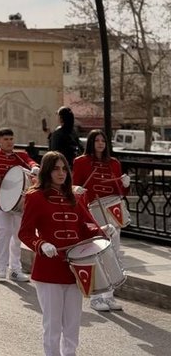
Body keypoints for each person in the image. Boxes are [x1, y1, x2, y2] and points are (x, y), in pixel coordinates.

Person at [19, 151, 111, 356]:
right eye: (55, 169)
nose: (61, 173)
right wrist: (41, 244)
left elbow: (85, 227)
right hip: (49, 269)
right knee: (52, 324)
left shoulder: (74, 197)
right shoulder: (35, 197)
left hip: (75, 269)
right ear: (46, 171)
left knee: (72, 322)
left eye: (64, 169)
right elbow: (25, 233)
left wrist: (102, 230)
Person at [72, 129, 131, 312]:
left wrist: (126, 185)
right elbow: (73, 185)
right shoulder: (81, 162)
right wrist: (76, 189)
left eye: (103, 141)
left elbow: (120, 191)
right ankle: (96, 297)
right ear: (91, 142)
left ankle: (109, 296)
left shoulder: (114, 163)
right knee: (96, 252)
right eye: (97, 140)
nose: (100, 143)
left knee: (114, 252)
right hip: (93, 210)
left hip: (114, 210)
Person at [0, 128, 40, 283]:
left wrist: (34, 167)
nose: (9, 142)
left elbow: (30, 162)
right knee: (4, 231)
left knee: (18, 235)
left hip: (19, 201)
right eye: (6, 139)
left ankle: (15, 269)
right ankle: (1, 266)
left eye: (11, 139)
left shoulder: (20, 155)